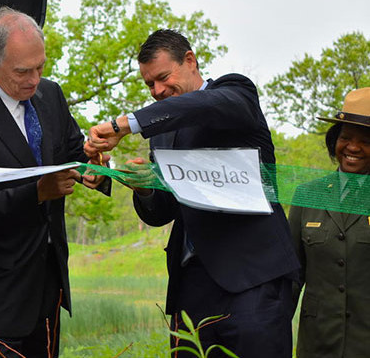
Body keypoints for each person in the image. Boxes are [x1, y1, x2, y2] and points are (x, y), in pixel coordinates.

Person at [85, 29, 299, 357]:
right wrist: (143, 188)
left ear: (190, 61)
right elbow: (162, 212)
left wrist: (124, 124)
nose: (157, 91)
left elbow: (204, 106)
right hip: (191, 288)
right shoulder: (162, 136)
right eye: (148, 85)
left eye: (163, 77)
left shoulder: (235, 93)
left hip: (253, 281)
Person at [0, 7, 109, 358]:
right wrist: (36, 194)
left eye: (40, 67)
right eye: (23, 71)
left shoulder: (51, 96)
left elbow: (71, 151)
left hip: (47, 287)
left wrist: (92, 167)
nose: (34, 79)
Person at [289, 87, 370, 358]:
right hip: (317, 344)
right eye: (345, 137)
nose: (353, 147)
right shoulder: (307, 194)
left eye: (365, 141)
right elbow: (292, 276)